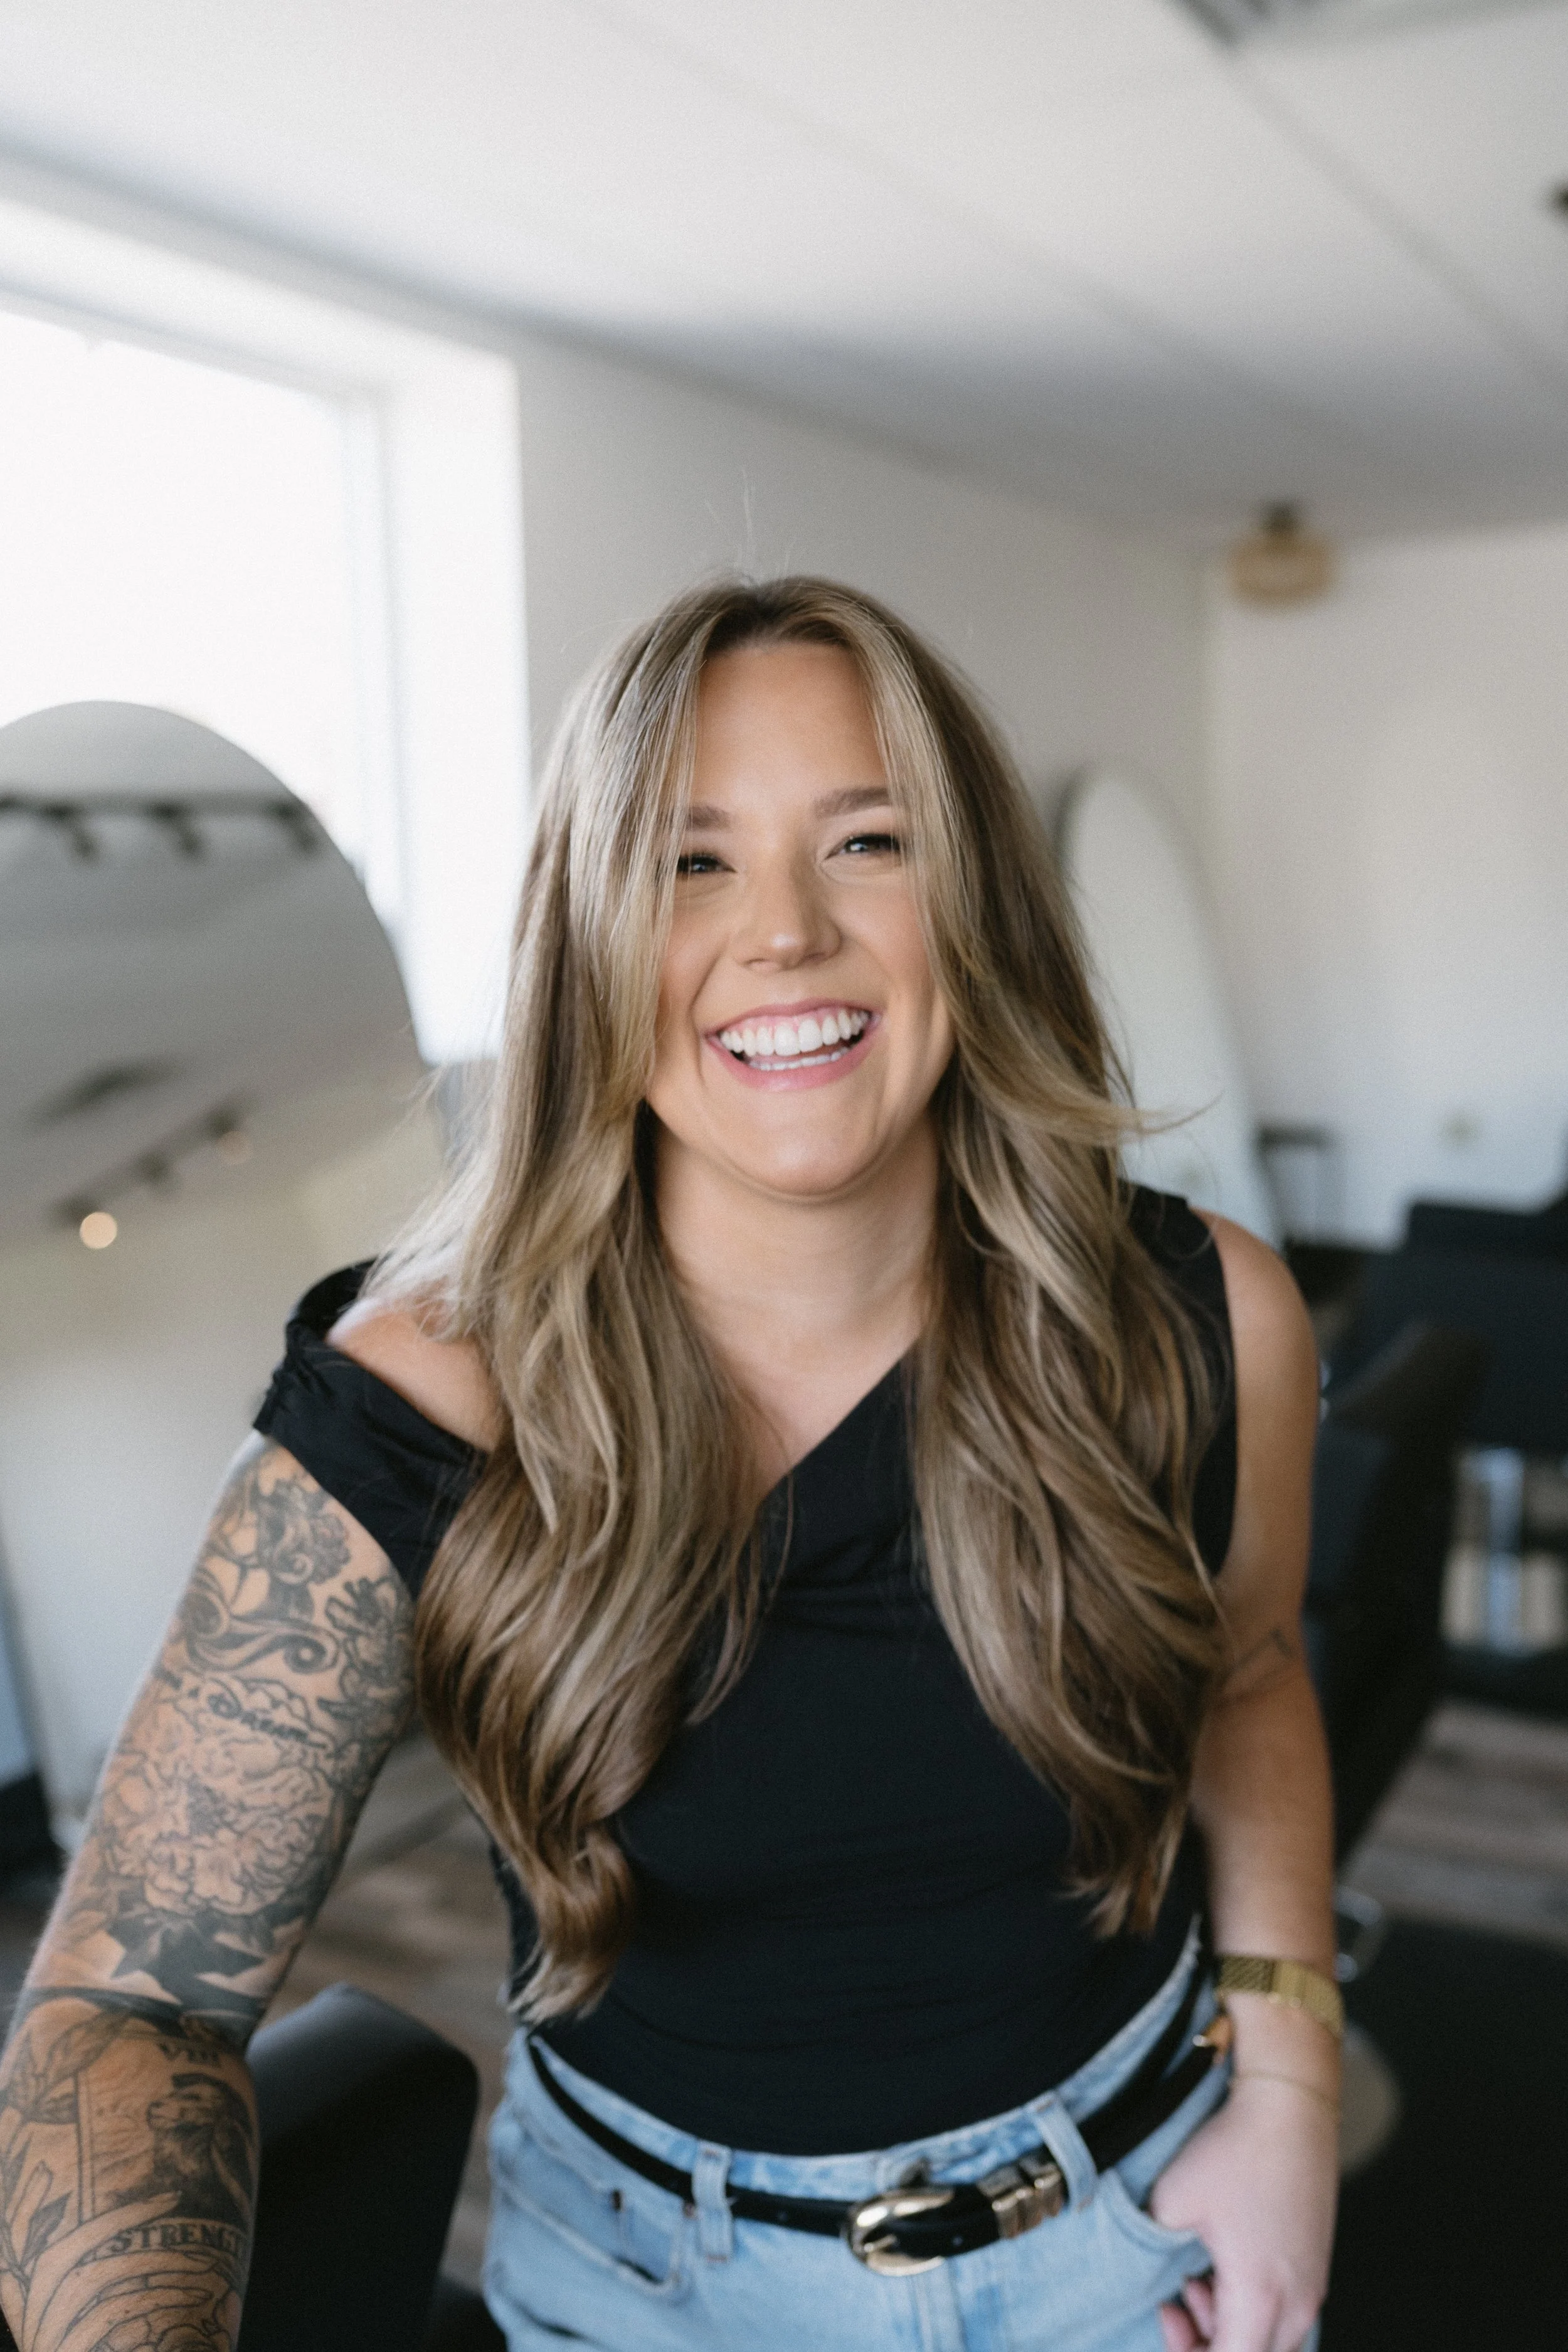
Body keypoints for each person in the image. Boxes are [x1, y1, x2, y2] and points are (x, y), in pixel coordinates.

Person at [0, 577, 1338, 2352]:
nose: (781, 932)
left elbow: (1244, 1674)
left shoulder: (1196, 1316)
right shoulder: (422, 1402)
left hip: (1136, 2236)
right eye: (689, 860)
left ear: (975, 904)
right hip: (652, 2296)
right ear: (589, 938)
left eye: (866, 840)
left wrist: (1289, 2090)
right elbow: (131, 2000)